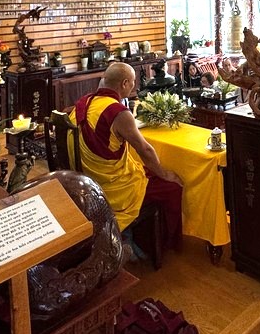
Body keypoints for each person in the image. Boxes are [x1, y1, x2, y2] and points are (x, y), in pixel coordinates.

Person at [69, 62, 183, 249]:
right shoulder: (117, 112)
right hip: (109, 186)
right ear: (124, 84)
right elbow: (145, 150)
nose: (134, 86)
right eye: (132, 82)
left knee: (145, 170)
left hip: (82, 179)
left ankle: (137, 238)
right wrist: (165, 174)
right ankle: (161, 244)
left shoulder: (84, 102)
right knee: (171, 186)